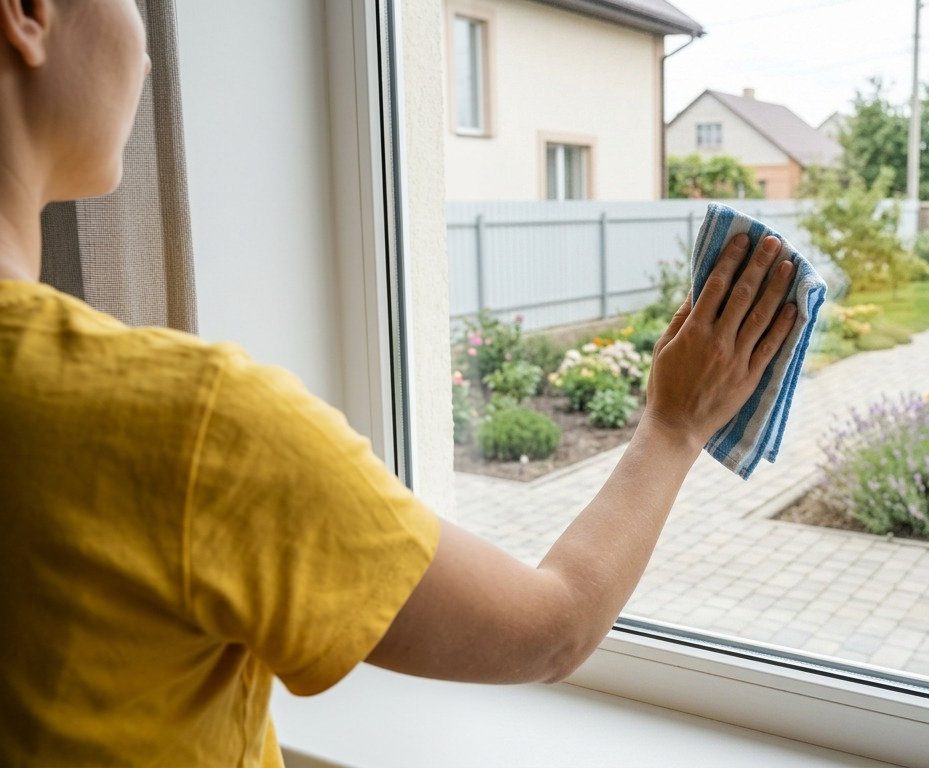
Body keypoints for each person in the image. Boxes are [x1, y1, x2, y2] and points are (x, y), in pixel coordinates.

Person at [0, 0, 799, 764]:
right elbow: (549, 630)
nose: (144, 49)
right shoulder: (188, 427)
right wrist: (672, 428)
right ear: (27, 13)